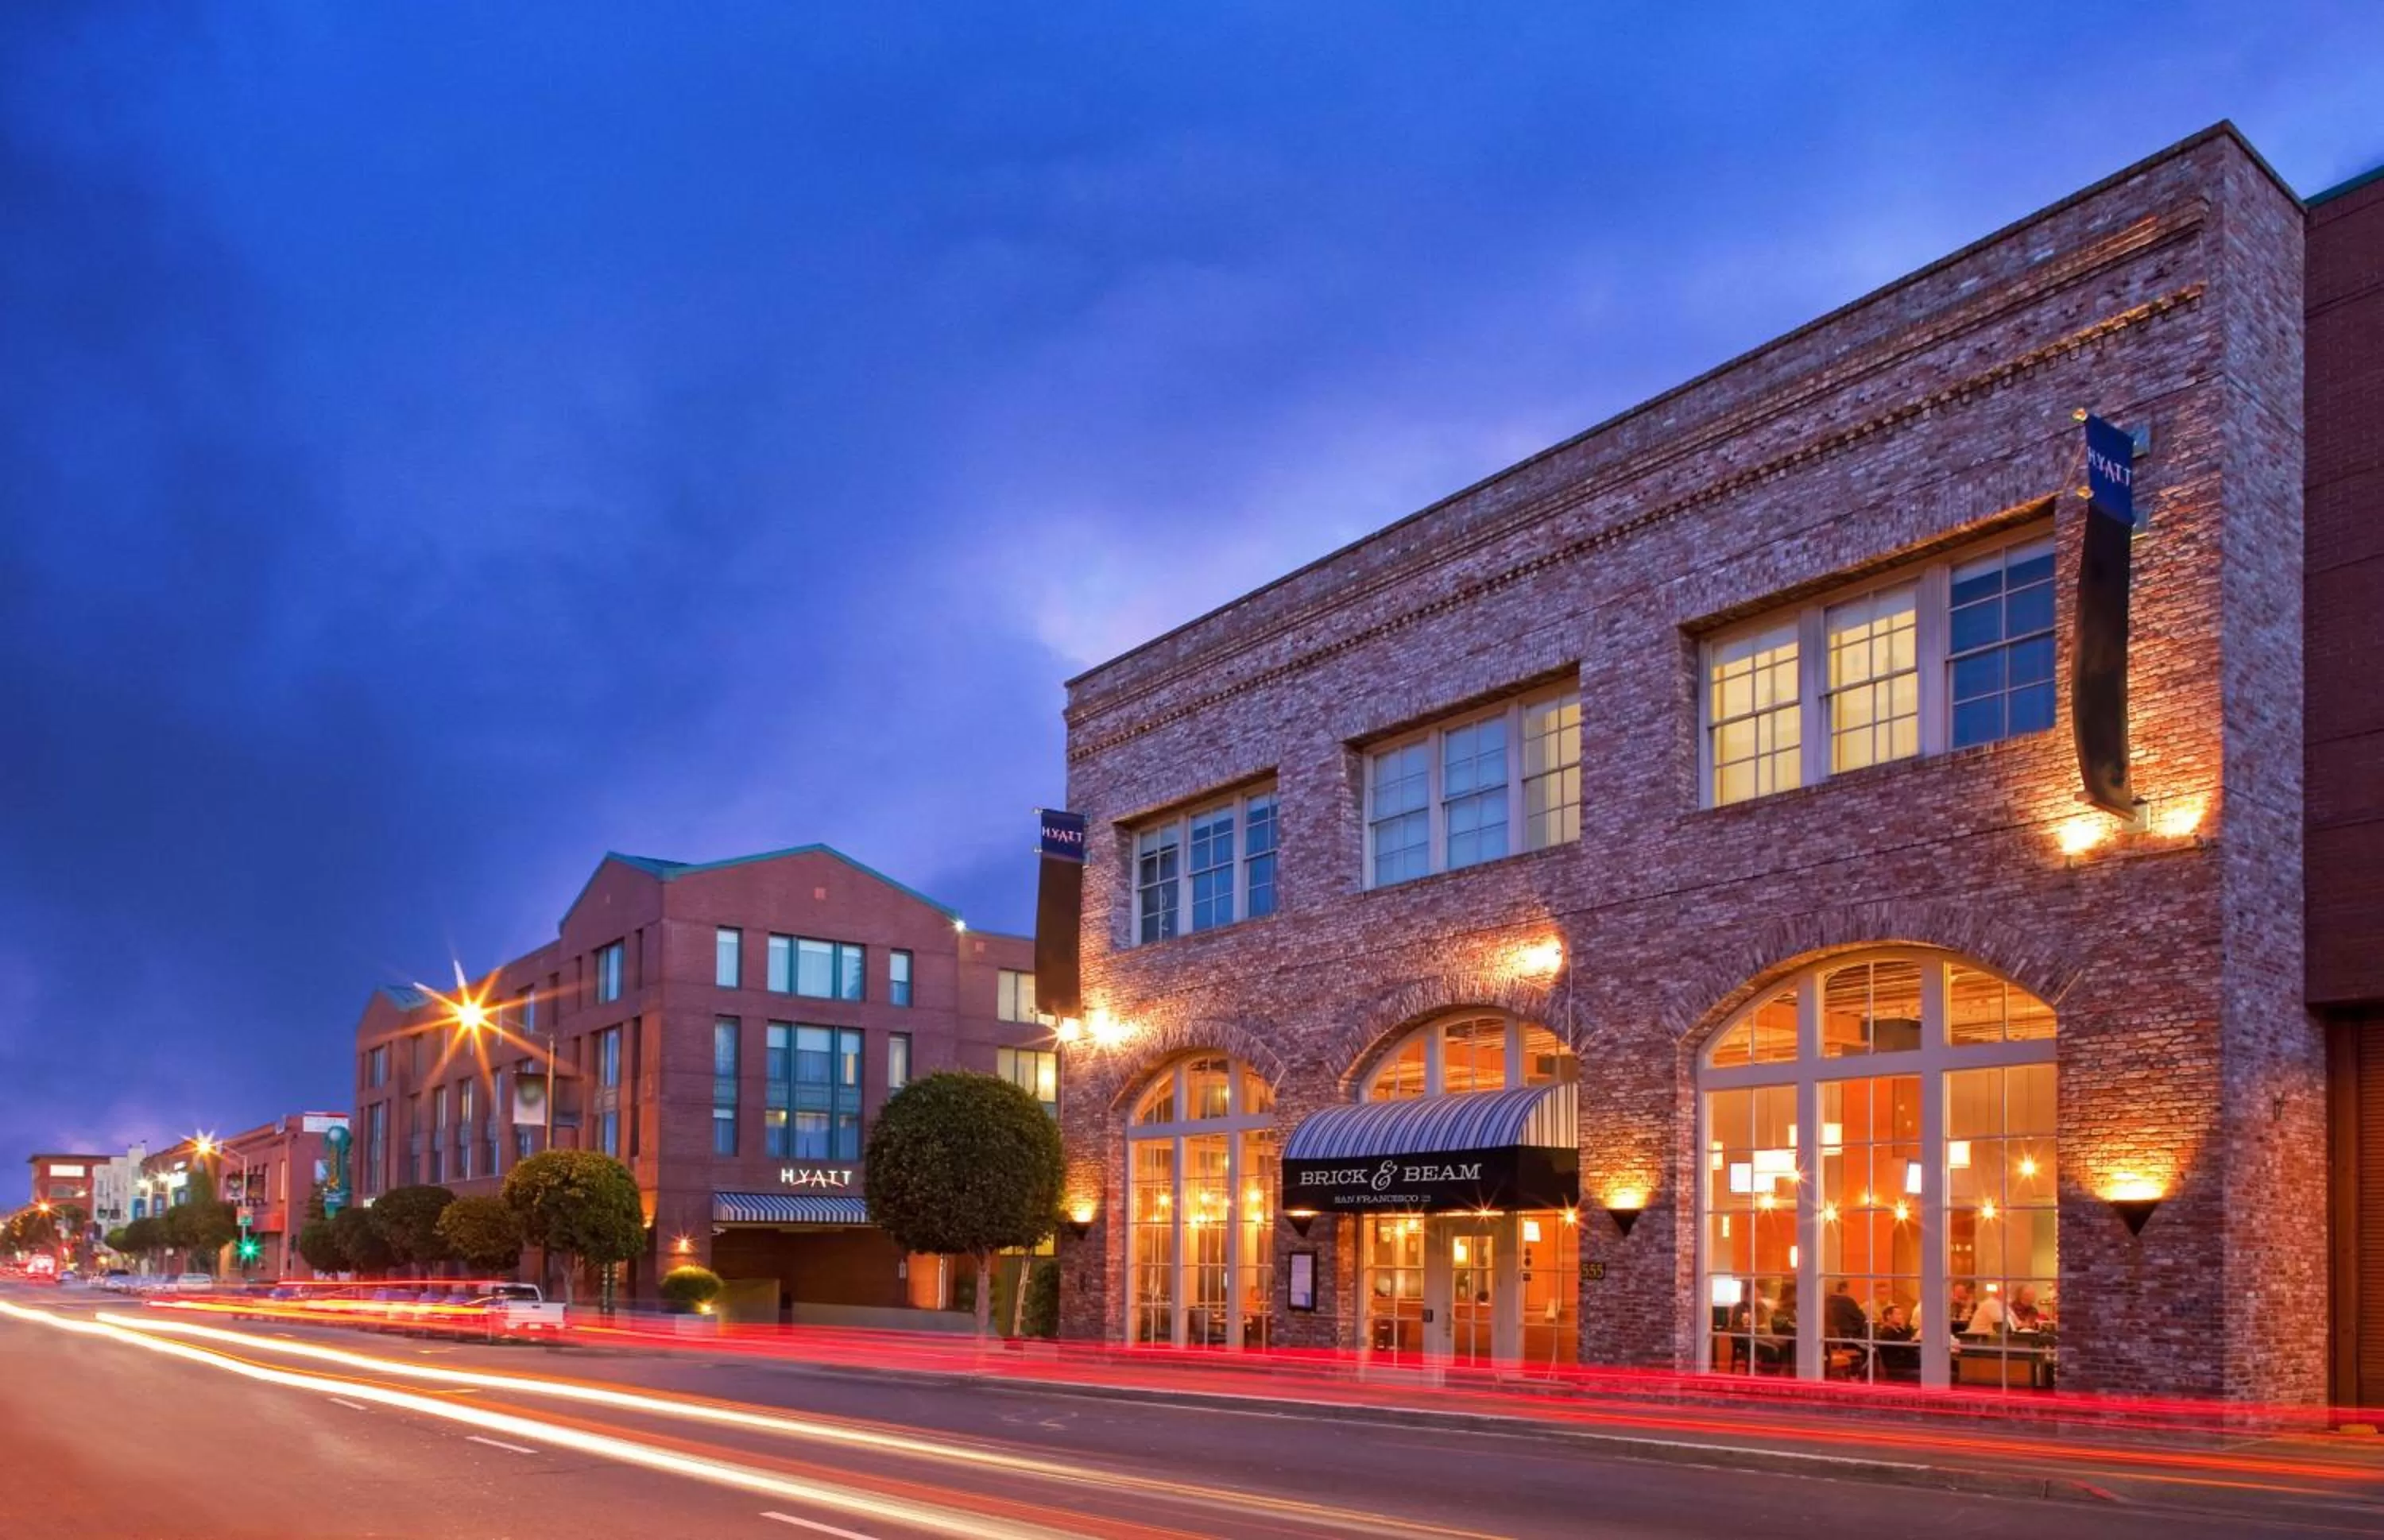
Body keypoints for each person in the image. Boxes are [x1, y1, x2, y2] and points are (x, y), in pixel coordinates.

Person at [1875, 1304, 1920, 1380]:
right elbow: (1906, 1347)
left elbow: (1908, 1342)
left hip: (1909, 1363)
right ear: (1889, 1316)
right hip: (1898, 1367)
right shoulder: (1887, 1333)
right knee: (1930, 1372)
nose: (1901, 1317)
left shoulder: (1899, 1330)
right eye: (1898, 1314)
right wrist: (1913, 1341)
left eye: (1901, 1314)